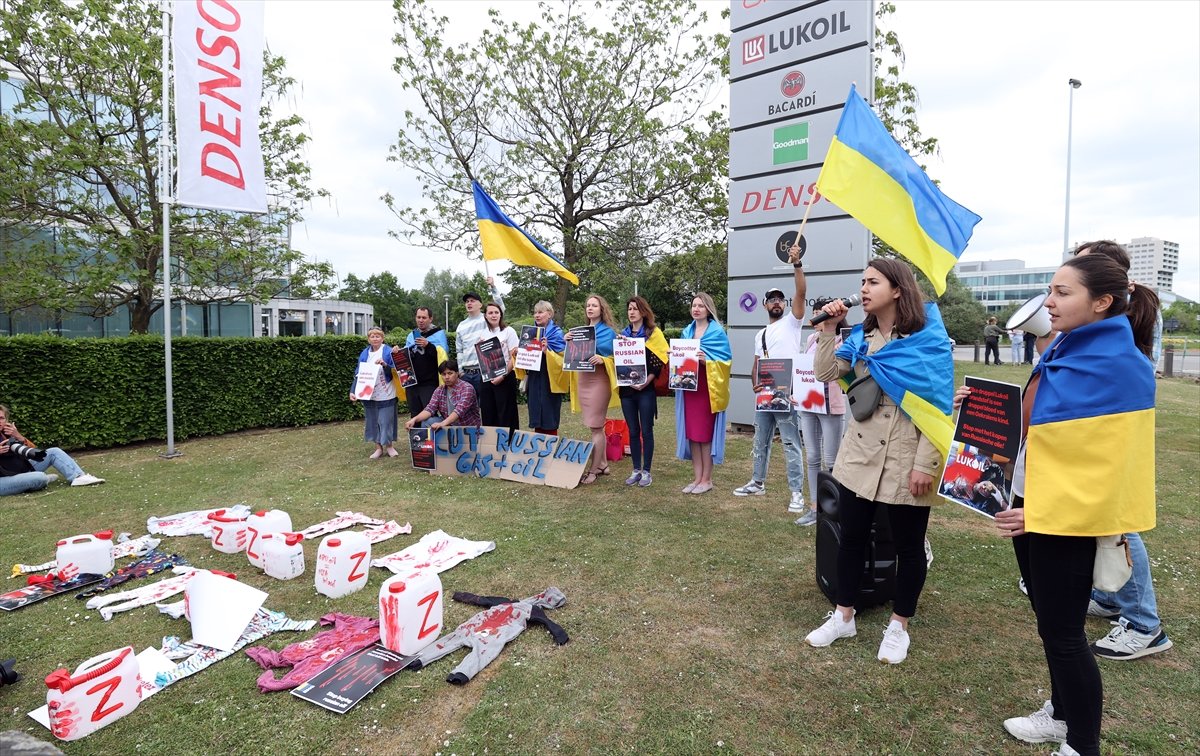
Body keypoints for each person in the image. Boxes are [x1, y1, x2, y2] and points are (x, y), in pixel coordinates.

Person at [990, 251, 1158, 756]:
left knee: (1064, 634)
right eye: (1050, 290)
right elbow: (1043, 426)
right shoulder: (1065, 349)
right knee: (1050, 622)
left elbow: (1113, 476)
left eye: (1063, 293)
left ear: (1102, 301)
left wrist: (1042, 513)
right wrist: (984, 408)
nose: (1049, 301)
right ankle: (1062, 715)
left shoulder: (1122, 366)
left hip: (1061, 518)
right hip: (1030, 503)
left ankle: (1082, 744)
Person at [802, 258, 952, 665]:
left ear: (898, 289)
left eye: (872, 282)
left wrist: (926, 463)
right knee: (851, 537)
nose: (863, 289)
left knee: (908, 546)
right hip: (861, 453)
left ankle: (899, 625)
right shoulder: (861, 337)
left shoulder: (928, 338)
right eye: (862, 282)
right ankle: (843, 615)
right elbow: (828, 373)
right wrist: (829, 330)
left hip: (908, 455)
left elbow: (938, 407)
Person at [733, 254, 809, 513]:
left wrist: (796, 265)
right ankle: (757, 482)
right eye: (772, 299)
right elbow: (757, 363)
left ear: (784, 304)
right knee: (760, 440)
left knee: (790, 442)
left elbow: (801, 291)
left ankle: (797, 492)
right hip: (764, 395)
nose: (776, 302)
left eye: (780, 299)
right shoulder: (761, 334)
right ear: (765, 305)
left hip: (786, 393)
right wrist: (755, 383)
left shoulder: (793, 321)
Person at [795, 296, 848, 527]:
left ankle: (835, 509)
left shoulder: (843, 340)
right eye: (816, 313)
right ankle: (816, 507)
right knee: (813, 457)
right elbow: (805, 369)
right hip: (808, 405)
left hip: (830, 405)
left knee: (832, 460)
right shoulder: (811, 339)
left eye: (822, 313)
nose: (818, 318)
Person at [675, 292, 732, 495]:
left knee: (704, 435)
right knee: (693, 435)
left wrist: (706, 361)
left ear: (708, 309)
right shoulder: (686, 333)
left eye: (700, 305)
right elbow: (681, 361)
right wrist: (675, 357)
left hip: (707, 390)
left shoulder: (717, 333)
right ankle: (697, 477)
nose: (696, 309)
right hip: (689, 389)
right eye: (693, 305)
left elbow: (725, 362)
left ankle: (707, 479)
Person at [568, 294, 619, 485]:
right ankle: (604, 464)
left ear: (601, 309)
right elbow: (573, 355)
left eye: (594, 306)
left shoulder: (609, 332)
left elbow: (616, 358)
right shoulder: (580, 331)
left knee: (597, 425)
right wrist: (568, 341)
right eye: (588, 305)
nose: (590, 308)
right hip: (583, 379)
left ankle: (594, 470)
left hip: (599, 380)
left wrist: (603, 358)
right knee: (594, 426)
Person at [619, 296, 668, 488]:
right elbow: (620, 363)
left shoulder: (654, 334)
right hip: (627, 391)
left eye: (635, 309)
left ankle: (647, 471)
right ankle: (636, 469)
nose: (631, 312)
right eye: (629, 309)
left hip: (646, 390)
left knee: (646, 431)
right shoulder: (623, 335)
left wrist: (645, 382)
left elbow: (659, 363)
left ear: (643, 312)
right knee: (633, 431)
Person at [0, 404, 105, 494]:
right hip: (3, 480)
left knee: (54, 452)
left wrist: (19, 437)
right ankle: (39, 479)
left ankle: (78, 477)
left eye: (1, 418)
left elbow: (35, 453)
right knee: (39, 478)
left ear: (6, 420)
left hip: (20, 471)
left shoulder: (7, 434)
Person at [349, 326, 399, 459]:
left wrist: (385, 364)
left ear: (382, 338)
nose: (375, 338)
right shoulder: (364, 353)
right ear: (368, 339)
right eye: (372, 336)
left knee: (386, 420)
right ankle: (378, 447)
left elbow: (397, 371)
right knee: (373, 421)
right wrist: (353, 390)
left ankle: (389, 446)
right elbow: (358, 373)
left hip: (386, 391)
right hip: (369, 393)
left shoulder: (388, 351)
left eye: (378, 336)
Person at [522, 301, 568, 435]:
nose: (537, 315)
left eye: (540, 312)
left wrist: (546, 352)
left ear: (549, 314)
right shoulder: (529, 333)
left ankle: (550, 447)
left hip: (550, 379)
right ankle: (539, 449)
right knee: (536, 413)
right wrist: (518, 354)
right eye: (535, 312)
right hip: (535, 377)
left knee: (549, 414)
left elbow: (562, 359)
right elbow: (524, 360)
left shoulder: (557, 333)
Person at [455, 277, 504, 398]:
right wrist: (460, 371)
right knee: (468, 410)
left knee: (486, 408)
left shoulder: (486, 318)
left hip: (484, 371)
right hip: (466, 373)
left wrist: (493, 287)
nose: (469, 303)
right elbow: (459, 350)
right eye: (467, 301)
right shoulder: (461, 326)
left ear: (480, 304)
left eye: (472, 300)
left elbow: (500, 308)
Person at [397, 306, 449, 418]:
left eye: (424, 318)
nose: (421, 320)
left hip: (429, 383)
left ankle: (430, 436)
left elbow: (442, 357)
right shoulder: (411, 335)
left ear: (430, 319)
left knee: (429, 414)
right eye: (418, 317)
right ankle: (415, 436)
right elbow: (406, 356)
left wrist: (428, 345)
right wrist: (398, 352)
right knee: (414, 414)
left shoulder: (439, 334)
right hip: (411, 383)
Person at [478, 302, 520, 433]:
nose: (493, 315)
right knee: (488, 413)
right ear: (485, 315)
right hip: (487, 379)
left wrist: (502, 376)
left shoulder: (509, 331)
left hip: (505, 378)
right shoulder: (482, 334)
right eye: (490, 313)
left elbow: (514, 358)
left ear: (501, 314)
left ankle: (509, 445)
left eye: (496, 312)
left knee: (506, 414)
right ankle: (492, 446)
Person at [405, 360, 481, 430]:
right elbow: (430, 408)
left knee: (437, 423)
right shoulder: (439, 390)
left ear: (457, 373)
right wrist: (414, 419)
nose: (447, 377)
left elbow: (459, 411)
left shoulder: (467, 388)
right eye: (444, 374)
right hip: (449, 424)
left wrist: (442, 424)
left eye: (450, 373)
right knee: (427, 421)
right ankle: (431, 444)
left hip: (467, 427)